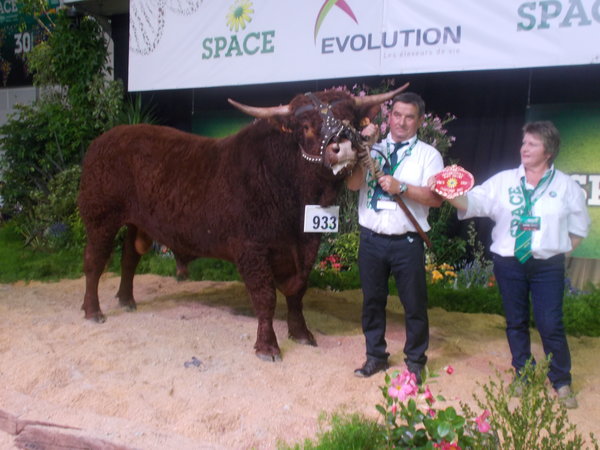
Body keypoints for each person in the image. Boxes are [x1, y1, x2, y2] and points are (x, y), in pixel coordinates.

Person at [434, 121, 590, 408]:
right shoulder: (503, 181)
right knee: (515, 322)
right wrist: (449, 193)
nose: (524, 148)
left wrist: (558, 253)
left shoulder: (567, 187)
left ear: (549, 150)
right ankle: (523, 373)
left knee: (550, 323)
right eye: (523, 143)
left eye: (532, 144)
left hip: (547, 266)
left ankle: (561, 380)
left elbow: (579, 230)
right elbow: (474, 203)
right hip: (509, 263)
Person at [346, 92, 444, 382]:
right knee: (372, 302)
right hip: (372, 240)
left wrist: (402, 188)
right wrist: (362, 150)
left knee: (414, 305)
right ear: (388, 117)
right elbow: (352, 186)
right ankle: (375, 357)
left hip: (407, 242)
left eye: (409, 116)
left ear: (420, 121)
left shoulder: (429, 155)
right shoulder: (371, 150)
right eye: (397, 115)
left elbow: (436, 199)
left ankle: (415, 361)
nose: (401, 122)